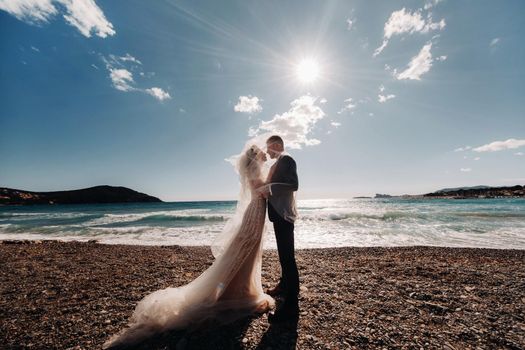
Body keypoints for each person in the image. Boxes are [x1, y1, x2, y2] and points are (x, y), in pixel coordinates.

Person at [103, 145, 274, 348]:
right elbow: (261, 190)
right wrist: (274, 184)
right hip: (254, 214)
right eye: (261, 152)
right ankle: (229, 294)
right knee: (243, 253)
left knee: (248, 254)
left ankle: (241, 290)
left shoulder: (256, 168)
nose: (264, 153)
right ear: (255, 158)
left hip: (256, 213)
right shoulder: (255, 171)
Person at [259, 135, 300, 323]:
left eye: (269, 148)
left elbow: (294, 185)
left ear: (276, 145)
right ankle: (283, 286)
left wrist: (270, 188)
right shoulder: (279, 162)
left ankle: (291, 308)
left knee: (287, 259)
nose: (267, 152)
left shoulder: (287, 159)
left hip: (284, 216)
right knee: (283, 257)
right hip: (278, 215)